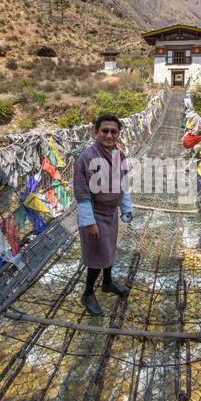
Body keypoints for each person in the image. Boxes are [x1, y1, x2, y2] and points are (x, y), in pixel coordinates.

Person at [73, 114, 133, 316]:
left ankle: (107, 283)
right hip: (94, 213)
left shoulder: (119, 155)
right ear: (96, 132)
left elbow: (123, 184)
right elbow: (82, 194)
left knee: (108, 249)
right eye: (104, 131)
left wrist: (126, 208)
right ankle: (88, 293)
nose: (109, 135)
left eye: (113, 131)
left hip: (111, 213)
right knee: (96, 255)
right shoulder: (86, 158)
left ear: (118, 133)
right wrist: (89, 223)